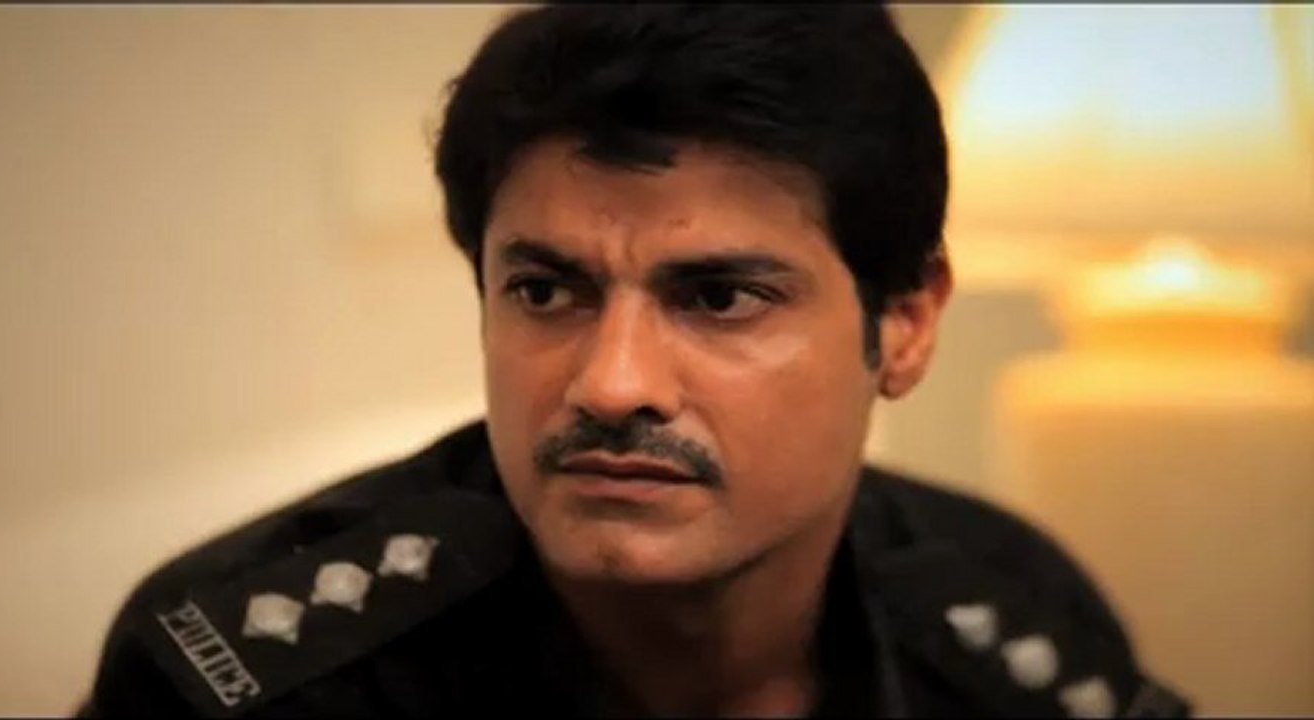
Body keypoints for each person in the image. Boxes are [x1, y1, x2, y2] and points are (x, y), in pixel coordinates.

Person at [78, 4, 1190, 717]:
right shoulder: (254, 671)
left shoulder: (1019, 631)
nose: (611, 385)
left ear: (903, 324)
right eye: (545, 291)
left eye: (719, 298)